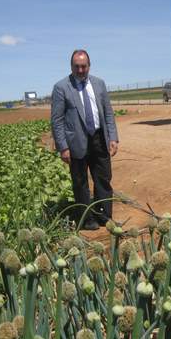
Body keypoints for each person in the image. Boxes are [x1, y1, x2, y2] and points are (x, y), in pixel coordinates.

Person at [51, 49, 119, 230]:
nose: (81, 70)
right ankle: (87, 219)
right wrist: (63, 147)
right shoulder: (61, 87)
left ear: (89, 66)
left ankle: (104, 215)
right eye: (77, 67)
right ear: (71, 66)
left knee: (103, 179)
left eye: (84, 66)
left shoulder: (99, 84)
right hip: (76, 143)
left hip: (98, 138)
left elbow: (108, 113)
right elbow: (56, 121)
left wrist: (113, 137)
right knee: (80, 182)